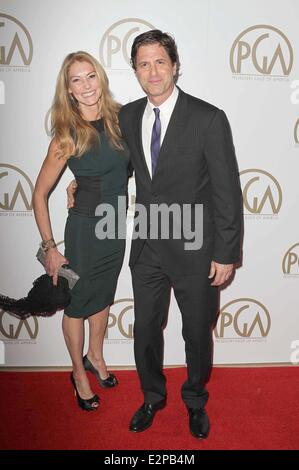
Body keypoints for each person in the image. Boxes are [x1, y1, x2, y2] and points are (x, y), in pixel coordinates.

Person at [118, 30, 243, 438]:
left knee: (196, 333)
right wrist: (79, 184)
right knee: (146, 330)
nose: (152, 71)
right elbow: (127, 170)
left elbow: (227, 190)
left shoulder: (208, 118)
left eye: (159, 62)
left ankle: (194, 400)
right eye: (143, 64)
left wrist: (225, 253)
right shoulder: (128, 116)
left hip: (196, 248)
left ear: (174, 65)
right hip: (148, 248)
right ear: (135, 70)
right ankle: (152, 396)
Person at [33, 51, 130, 411]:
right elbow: (39, 194)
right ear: (69, 90)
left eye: (91, 76)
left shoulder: (122, 119)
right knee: (76, 305)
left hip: (115, 226)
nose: (87, 86)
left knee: (103, 296)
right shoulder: (67, 134)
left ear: (100, 78)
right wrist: (50, 248)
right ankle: (78, 373)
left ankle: (96, 356)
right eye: (77, 80)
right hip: (84, 231)